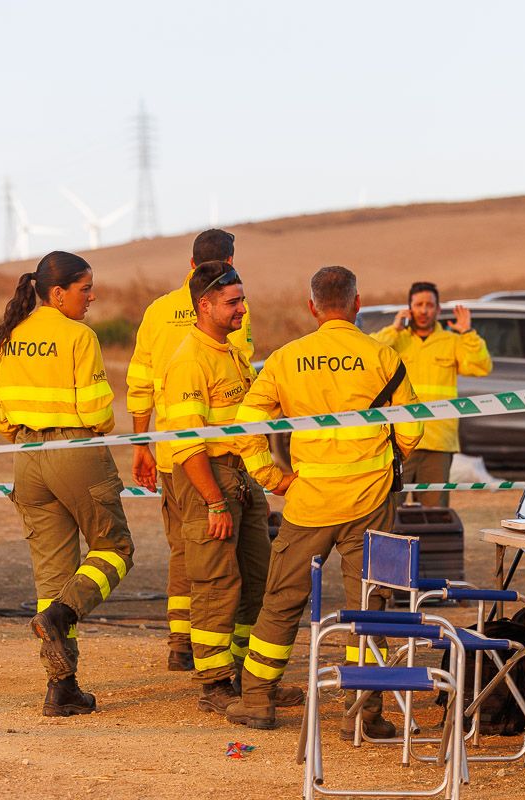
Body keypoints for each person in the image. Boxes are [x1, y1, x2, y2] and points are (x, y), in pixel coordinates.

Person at [224, 265, 423, 734]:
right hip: (370, 503)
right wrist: (384, 457)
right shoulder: (383, 356)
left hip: (308, 501)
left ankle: (256, 700)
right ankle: (364, 716)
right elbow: (413, 430)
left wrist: (271, 475)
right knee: (369, 607)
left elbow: (245, 422)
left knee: (281, 600)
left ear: (311, 307)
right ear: (357, 304)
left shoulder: (286, 358)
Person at [0, 251, 134, 717]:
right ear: (57, 293)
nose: (91, 297)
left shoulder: (9, 338)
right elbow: (98, 414)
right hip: (76, 451)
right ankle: (63, 614)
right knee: (116, 549)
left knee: (52, 578)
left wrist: (31, 433)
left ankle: (61, 687)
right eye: (85, 289)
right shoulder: (79, 336)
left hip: (26, 457)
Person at [162, 261, 298, 714]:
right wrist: (214, 502)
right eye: (233, 302)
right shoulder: (189, 361)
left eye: (242, 299)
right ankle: (216, 683)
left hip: (241, 477)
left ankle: (249, 678)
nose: (243, 308)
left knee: (256, 582)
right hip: (210, 482)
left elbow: (245, 426)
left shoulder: (231, 354)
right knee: (216, 583)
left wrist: (269, 478)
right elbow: (186, 445)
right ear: (205, 305)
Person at [126, 229, 253, 671]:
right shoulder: (231, 311)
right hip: (204, 457)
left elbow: (140, 381)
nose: (238, 309)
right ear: (230, 260)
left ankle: (182, 642)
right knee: (216, 560)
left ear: (190, 260)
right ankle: (214, 667)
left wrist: (141, 442)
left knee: (184, 550)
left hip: (168, 449)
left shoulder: (158, 310)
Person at [372, 281, 491, 507]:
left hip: (438, 442)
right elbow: (370, 355)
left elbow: (481, 365)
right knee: (389, 508)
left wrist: (467, 332)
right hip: (400, 441)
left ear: (437, 309)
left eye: (429, 305)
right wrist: (394, 328)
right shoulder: (396, 341)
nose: (424, 310)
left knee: (435, 510)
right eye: (418, 304)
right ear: (409, 308)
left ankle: (432, 544)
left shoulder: (451, 341)